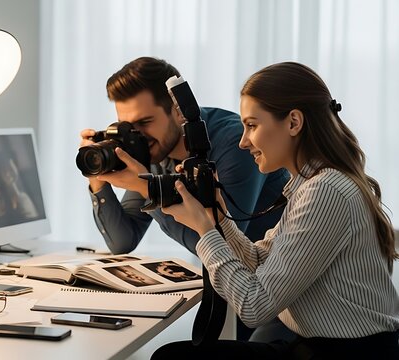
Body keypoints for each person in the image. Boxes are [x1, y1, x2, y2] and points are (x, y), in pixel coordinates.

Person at [153, 62, 399, 358]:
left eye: (252, 125)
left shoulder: (325, 191)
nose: (243, 142)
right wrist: (217, 215)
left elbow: (254, 307)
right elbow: (259, 262)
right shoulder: (310, 184)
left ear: (294, 122)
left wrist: (205, 230)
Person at [80, 56, 291, 341]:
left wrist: (147, 189)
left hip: (279, 296)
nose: (137, 136)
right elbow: (123, 240)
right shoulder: (153, 151)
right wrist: (98, 177)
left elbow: (223, 244)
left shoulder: (232, 144)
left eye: (145, 122)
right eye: (127, 126)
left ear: (178, 111)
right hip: (231, 291)